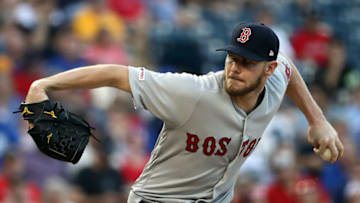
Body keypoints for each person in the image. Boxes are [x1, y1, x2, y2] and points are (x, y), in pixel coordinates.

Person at [24, 23, 343, 203]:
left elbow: (289, 68)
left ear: (268, 69)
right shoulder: (192, 93)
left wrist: (318, 120)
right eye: (232, 57)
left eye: (247, 63)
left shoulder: (276, 78)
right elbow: (116, 74)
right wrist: (46, 84)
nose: (235, 68)